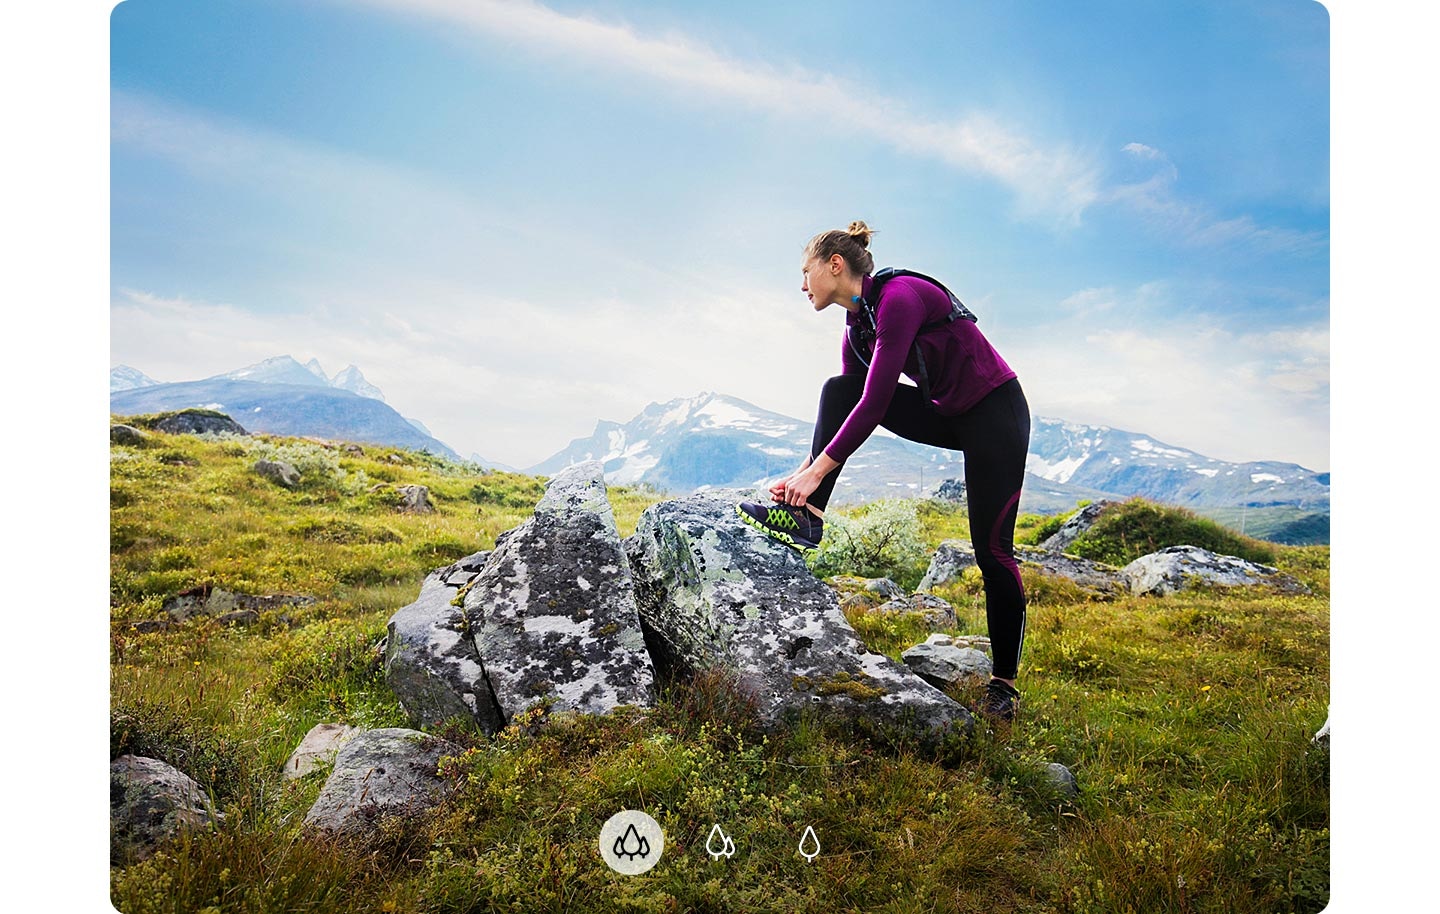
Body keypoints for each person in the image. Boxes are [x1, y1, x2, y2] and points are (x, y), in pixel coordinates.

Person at [737, 221, 1031, 722]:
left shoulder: (899, 297)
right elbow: (850, 407)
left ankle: (1003, 686)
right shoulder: (857, 328)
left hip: (995, 415)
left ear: (835, 264)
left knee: (992, 551)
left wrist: (814, 470)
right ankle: (807, 515)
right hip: (949, 414)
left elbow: (876, 403)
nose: (801, 284)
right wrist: (803, 474)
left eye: (805, 271)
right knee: (837, 389)